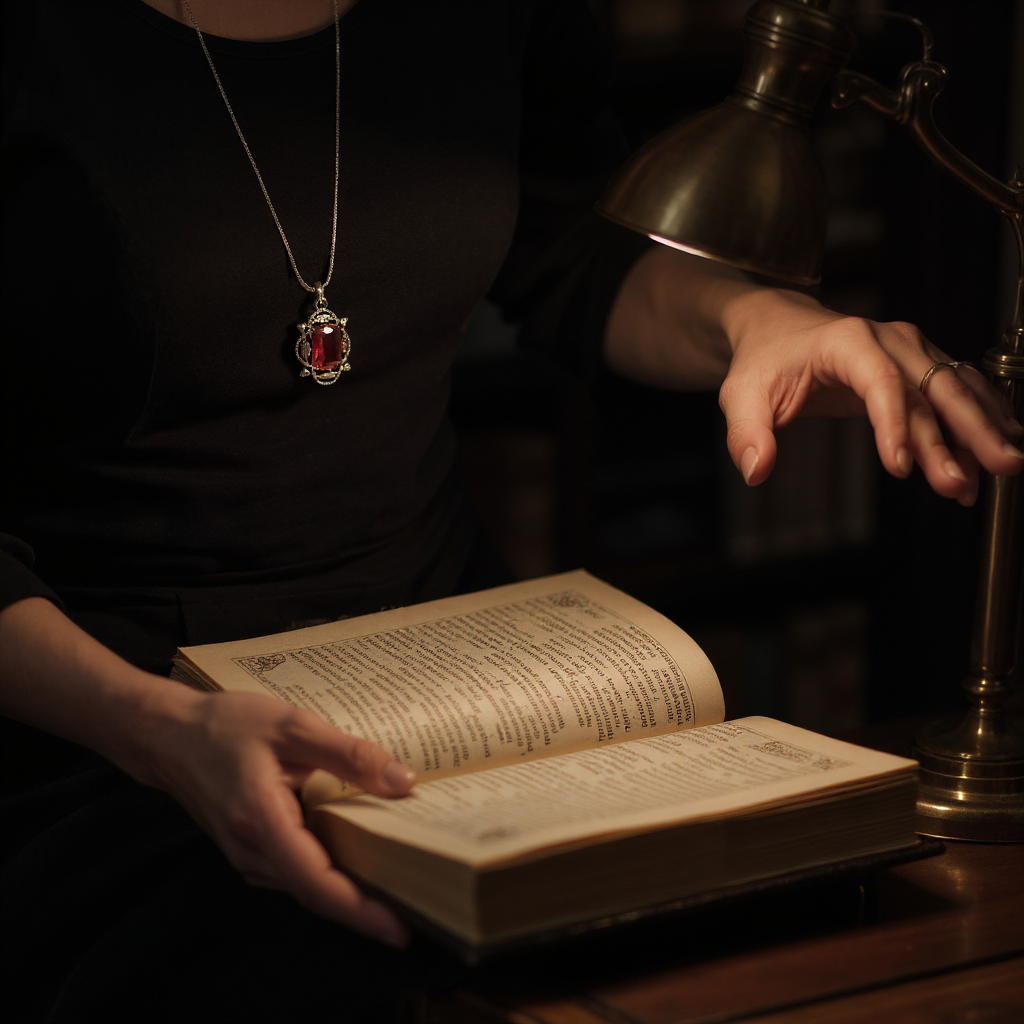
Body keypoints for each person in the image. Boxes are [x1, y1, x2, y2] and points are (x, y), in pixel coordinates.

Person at [2, 1, 1021, 1021]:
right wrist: (154, 728)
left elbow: (567, 245)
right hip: (98, 716)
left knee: (797, 934)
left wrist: (761, 322)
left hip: (450, 668)